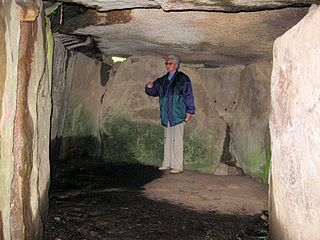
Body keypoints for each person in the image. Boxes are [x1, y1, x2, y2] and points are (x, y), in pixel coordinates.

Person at [145, 55, 195, 174]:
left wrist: (189, 111)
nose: (168, 65)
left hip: (178, 114)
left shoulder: (183, 78)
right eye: (167, 63)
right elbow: (154, 91)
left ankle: (178, 165)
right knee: (168, 139)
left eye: (170, 63)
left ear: (176, 65)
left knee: (177, 140)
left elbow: (188, 95)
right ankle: (167, 163)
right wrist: (149, 87)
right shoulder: (162, 80)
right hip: (167, 115)